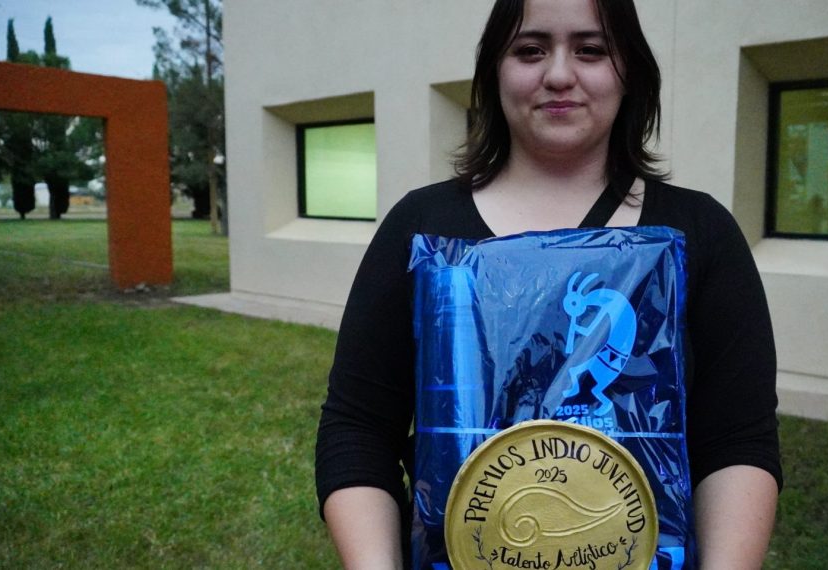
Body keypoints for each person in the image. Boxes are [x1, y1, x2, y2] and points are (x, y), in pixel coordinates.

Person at [315, 1, 782, 568]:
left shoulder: (700, 233)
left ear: (629, 70)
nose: (559, 74)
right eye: (530, 50)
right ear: (495, 69)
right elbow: (358, 428)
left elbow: (737, 440)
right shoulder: (420, 227)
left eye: (591, 49)